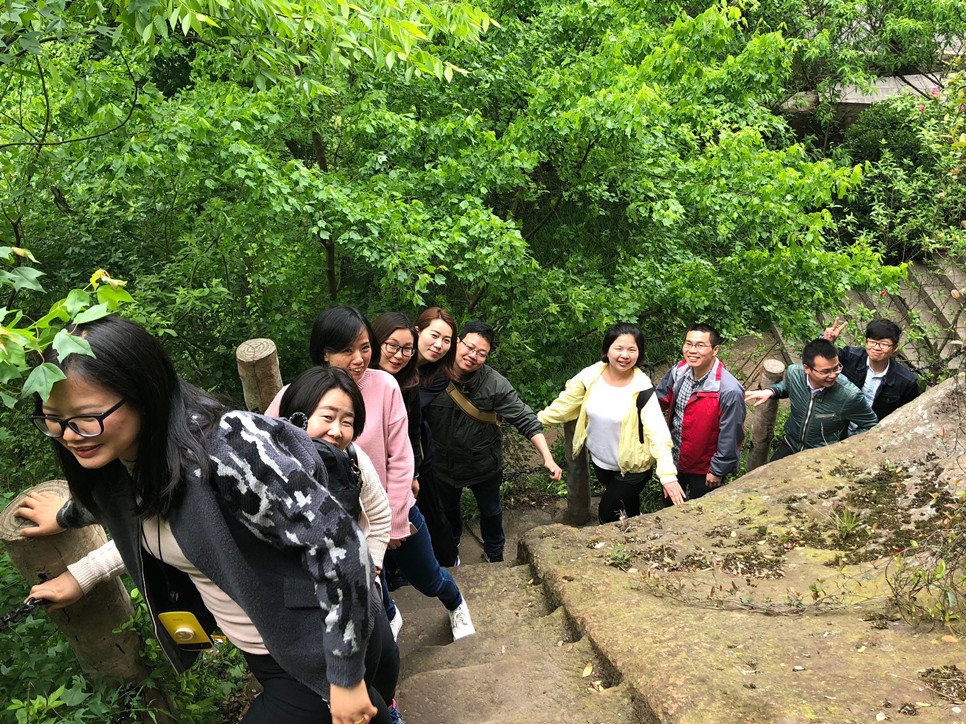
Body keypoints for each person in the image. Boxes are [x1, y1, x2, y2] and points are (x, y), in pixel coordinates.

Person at [19, 315, 388, 724]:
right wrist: (65, 517)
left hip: (322, 638)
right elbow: (121, 504)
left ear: (143, 393)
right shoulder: (117, 462)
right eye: (53, 420)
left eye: (85, 417)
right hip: (266, 645)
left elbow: (340, 544)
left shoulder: (227, 452)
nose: (70, 435)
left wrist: (345, 677)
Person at [266, 306, 474, 642]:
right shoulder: (298, 393)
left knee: (428, 576)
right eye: (347, 350)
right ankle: (389, 615)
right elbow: (266, 447)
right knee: (373, 580)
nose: (359, 359)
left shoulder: (384, 385)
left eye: (365, 348)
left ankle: (456, 604)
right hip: (340, 520)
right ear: (325, 353)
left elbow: (402, 457)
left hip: (393, 507)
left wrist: (394, 522)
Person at [277, 366, 403, 723]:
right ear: (299, 415)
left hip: (357, 586)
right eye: (327, 417)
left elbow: (379, 516)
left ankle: (387, 707)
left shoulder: (353, 459)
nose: (337, 430)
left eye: (347, 421)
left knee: (386, 659)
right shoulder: (272, 468)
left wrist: (371, 574)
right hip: (302, 603)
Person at [422, 320, 564, 562]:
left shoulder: (494, 384)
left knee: (491, 512)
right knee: (446, 510)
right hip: (441, 466)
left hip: (484, 465)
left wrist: (548, 458)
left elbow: (525, 418)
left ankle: (494, 555)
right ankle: (450, 549)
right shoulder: (431, 374)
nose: (473, 356)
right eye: (470, 347)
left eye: (482, 353)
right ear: (457, 342)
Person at [538, 322, 685, 523]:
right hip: (601, 463)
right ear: (607, 350)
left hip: (634, 468)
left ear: (639, 353)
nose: (625, 355)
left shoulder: (642, 389)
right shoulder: (590, 377)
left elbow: (659, 434)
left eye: (632, 349)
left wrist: (667, 476)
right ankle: (635, 522)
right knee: (627, 505)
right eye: (619, 348)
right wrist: (533, 423)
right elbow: (564, 405)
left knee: (607, 514)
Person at [745, 338, 878, 461]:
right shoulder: (794, 373)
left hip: (823, 454)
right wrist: (772, 391)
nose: (833, 375)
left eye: (836, 368)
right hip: (791, 444)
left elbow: (870, 424)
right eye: (825, 371)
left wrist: (843, 447)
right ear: (807, 369)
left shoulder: (849, 395)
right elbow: (788, 385)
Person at [655, 324, 746, 503]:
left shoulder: (729, 390)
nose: (692, 350)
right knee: (671, 507)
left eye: (700, 345)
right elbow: (660, 400)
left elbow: (731, 434)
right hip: (674, 459)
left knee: (701, 510)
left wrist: (718, 469)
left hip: (705, 468)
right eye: (688, 344)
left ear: (715, 350)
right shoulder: (679, 371)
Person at [822, 316, 920, 422]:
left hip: (873, 429)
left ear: (894, 348)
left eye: (884, 344)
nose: (876, 348)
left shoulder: (906, 382)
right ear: (866, 342)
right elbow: (818, 362)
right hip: (838, 423)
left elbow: (910, 414)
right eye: (872, 341)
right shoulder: (850, 356)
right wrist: (826, 343)